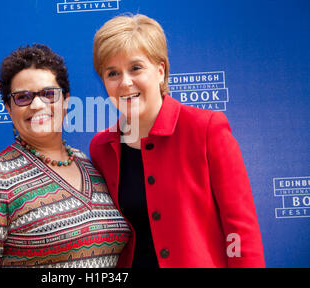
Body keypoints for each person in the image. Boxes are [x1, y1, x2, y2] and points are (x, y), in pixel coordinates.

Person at [89, 14, 265, 268]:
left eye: (136, 68)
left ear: (160, 71)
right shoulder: (102, 147)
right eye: (112, 73)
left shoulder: (205, 129)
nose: (125, 82)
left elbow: (240, 229)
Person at [0, 44, 130, 268]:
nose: (37, 104)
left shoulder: (87, 163)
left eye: (49, 94)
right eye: (22, 97)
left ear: (66, 100)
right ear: (9, 109)